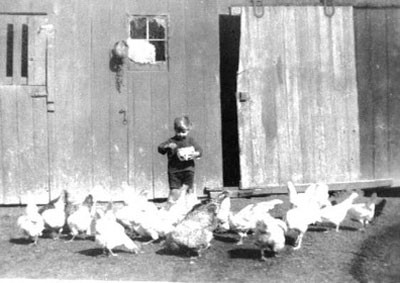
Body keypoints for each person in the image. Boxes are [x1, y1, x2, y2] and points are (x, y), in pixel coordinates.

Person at [158, 116, 202, 205]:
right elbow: (160, 148)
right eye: (178, 132)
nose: (180, 134)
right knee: (174, 190)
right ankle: (171, 207)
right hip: (174, 171)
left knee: (189, 190)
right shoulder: (171, 141)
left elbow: (200, 151)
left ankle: (189, 206)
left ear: (188, 130)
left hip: (188, 169)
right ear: (175, 130)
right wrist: (167, 146)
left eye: (183, 132)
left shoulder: (191, 140)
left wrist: (195, 154)